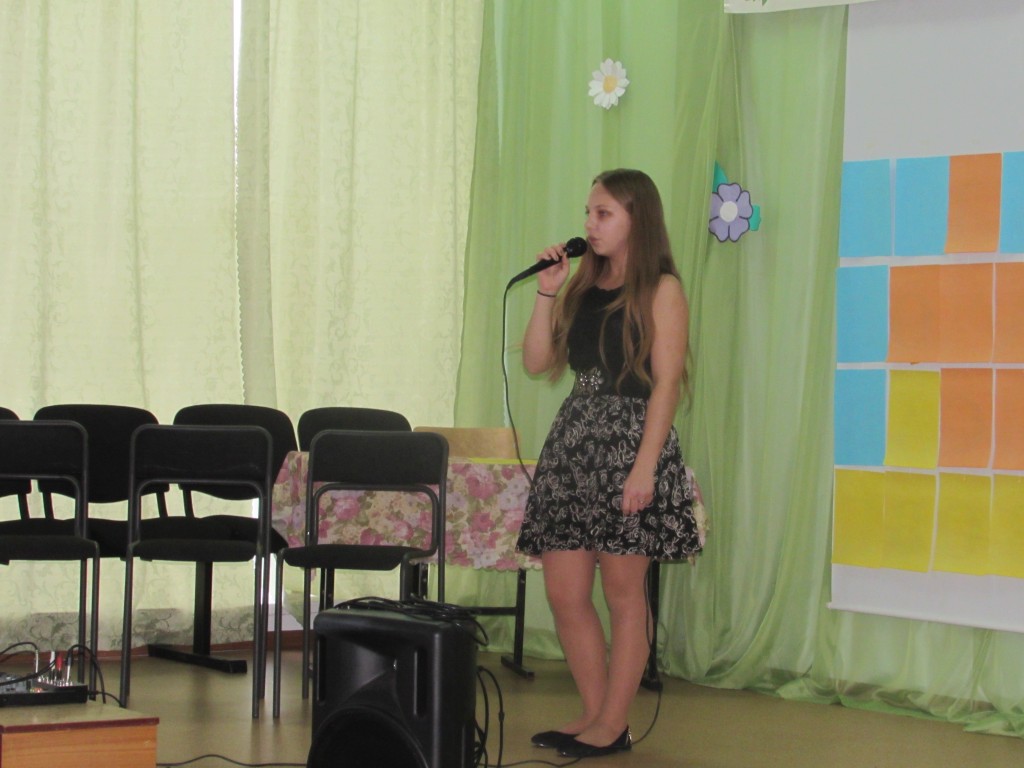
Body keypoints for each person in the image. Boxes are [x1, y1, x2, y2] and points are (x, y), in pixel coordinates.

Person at [515, 168, 703, 759]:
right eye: (588, 213)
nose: (590, 224)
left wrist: (644, 468)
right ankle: (597, 715)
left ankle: (613, 721)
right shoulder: (582, 285)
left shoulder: (661, 289)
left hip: (631, 445)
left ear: (635, 219)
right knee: (565, 593)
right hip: (574, 446)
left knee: (624, 593)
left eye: (603, 214)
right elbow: (536, 362)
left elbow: (667, 383)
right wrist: (548, 290)